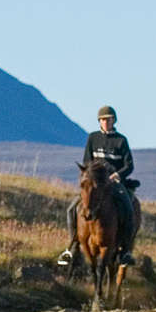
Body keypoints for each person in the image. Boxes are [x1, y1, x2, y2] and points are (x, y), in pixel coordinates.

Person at [58, 106, 138, 268]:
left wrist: (117, 175)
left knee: (128, 207)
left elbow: (129, 165)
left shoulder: (121, 141)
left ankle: (125, 250)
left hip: (114, 183)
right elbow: (87, 161)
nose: (105, 122)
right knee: (72, 209)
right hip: (95, 183)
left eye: (108, 119)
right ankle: (73, 246)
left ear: (114, 120)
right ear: (99, 121)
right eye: (103, 119)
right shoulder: (93, 138)